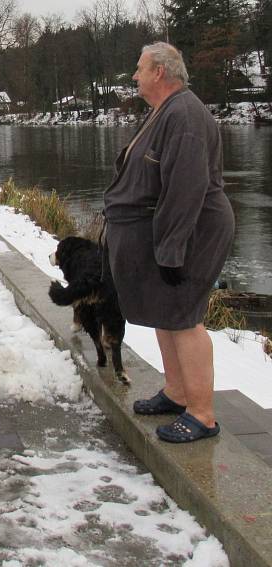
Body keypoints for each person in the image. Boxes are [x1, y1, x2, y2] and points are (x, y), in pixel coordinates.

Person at [103, 42, 235, 443]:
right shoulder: (165, 111)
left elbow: (186, 189)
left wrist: (172, 250)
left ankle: (202, 414)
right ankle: (177, 393)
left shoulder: (186, 117)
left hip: (193, 231)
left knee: (183, 316)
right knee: (166, 313)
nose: (135, 75)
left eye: (139, 68)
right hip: (165, 232)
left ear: (160, 72)